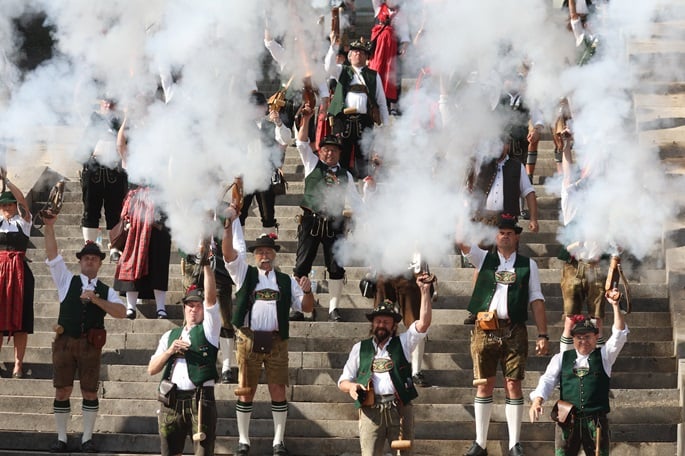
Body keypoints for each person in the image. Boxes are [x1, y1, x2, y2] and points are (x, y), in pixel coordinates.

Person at [221, 205, 315, 456]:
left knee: (278, 389)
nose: (264, 255)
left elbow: (306, 308)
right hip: (249, 338)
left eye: (268, 251)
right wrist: (228, 226)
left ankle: (278, 441)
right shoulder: (244, 273)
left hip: (277, 340)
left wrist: (307, 290)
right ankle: (243, 441)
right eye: (260, 252)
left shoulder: (285, 280)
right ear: (254, 256)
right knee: (246, 390)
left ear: (274, 255)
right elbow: (228, 253)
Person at [457, 213, 549, 456]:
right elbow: (462, 241)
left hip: (514, 328)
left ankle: (514, 444)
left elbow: (537, 299)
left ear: (516, 237)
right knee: (484, 385)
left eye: (509, 233)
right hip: (484, 329)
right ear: (494, 237)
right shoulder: (483, 258)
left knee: (513, 384)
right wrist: (462, 211)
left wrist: (543, 334)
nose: (505, 236)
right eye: (501, 232)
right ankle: (480, 443)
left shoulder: (528, 265)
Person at [43, 213, 126, 453]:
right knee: (62, 390)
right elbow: (52, 255)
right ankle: (61, 438)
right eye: (86, 258)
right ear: (80, 262)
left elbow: (121, 312)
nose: (89, 261)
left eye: (94, 259)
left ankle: (87, 438)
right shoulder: (66, 280)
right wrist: (49, 227)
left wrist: (96, 300)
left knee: (89, 390)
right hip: (65, 343)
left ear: (100, 264)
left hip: (91, 345)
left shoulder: (105, 290)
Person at [338, 273, 433, 456]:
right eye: (378, 321)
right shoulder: (360, 348)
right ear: (372, 324)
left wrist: (425, 291)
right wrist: (352, 387)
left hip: (400, 409)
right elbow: (343, 380)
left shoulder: (404, 343)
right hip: (370, 411)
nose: (381, 324)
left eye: (386, 321)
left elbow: (423, 323)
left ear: (393, 326)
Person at [529, 288, 628, 456]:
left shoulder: (604, 356)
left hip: (595, 422)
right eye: (579, 338)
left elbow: (619, 335)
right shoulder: (561, 358)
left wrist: (616, 306)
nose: (583, 341)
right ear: (573, 339)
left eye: (588, 337)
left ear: (596, 337)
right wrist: (537, 400)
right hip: (567, 420)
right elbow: (547, 380)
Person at [293, 104, 364, 322]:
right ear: (320, 151)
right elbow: (301, 143)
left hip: (334, 223)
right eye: (326, 149)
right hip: (311, 220)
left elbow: (356, 202)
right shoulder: (312, 163)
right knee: (302, 264)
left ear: (339, 153)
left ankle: (334, 308)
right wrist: (305, 120)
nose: (329, 152)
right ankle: (298, 306)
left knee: (336, 266)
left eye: (333, 150)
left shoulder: (346, 176)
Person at [148, 262, 220, 456]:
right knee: (169, 452)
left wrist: (206, 266)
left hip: (201, 398)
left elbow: (212, 299)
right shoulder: (170, 335)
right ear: (184, 308)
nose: (193, 310)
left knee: (203, 452)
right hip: (171, 400)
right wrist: (170, 351)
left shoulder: (209, 330)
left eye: (198, 306)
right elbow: (152, 369)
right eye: (190, 305)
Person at [325, 34, 389, 178]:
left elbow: (381, 102)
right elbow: (328, 67)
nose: (358, 53)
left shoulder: (373, 75)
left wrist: (385, 125)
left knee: (364, 156)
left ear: (366, 56)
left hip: (364, 120)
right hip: (343, 120)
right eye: (354, 51)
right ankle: (341, 184)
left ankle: (363, 186)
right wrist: (333, 46)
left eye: (361, 52)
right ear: (350, 56)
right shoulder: (342, 70)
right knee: (342, 155)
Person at [78, 96, 128, 262]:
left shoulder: (122, 122)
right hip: (94, 170)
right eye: (105, 101)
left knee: (115, 211)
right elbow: (84, 148)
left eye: (112, 101)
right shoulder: (94, 120)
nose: (108, 105)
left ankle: (115, 247)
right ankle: (90, 245)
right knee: (90, 210)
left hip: (115, 170)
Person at [114, 185, 172, 319]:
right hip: (135, 236)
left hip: (159, 236)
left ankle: (160, 308)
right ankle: (130, 307)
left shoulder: (165, 194)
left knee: (158, 271)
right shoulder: (133, 194)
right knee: (132, 267)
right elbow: (125, 214)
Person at [466, 138, 539, 234]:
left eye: (502, 144)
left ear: (507, 146)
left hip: (507, 222)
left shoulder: (517, 166)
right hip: (482, 220)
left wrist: (533, 219)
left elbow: (529, 192)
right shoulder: (482, 163)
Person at [0, 177, 34, 379]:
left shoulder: (23, 222)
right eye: (3, 204)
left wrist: (7, 180)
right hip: (0, 272)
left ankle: (18, 365)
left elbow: (23, 201)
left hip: (20, 272)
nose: (7, 208)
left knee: (21, 321)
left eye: (9, 204)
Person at [367, 0, 411, 116]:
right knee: (377, 73)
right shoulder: (379, 7)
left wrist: (404, 47)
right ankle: (376, 104)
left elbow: (405, 33)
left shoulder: (401, 13)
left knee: (393, 76)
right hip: (379, 49)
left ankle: (393, 106)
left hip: (392, 48)